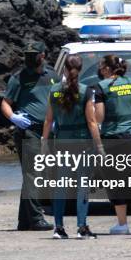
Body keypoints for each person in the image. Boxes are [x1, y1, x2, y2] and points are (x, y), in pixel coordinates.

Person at [1, 41, 60, 231]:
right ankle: (35, 218)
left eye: (33, 54)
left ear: (42, 56)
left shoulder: (51, 75)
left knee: (33, 174)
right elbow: (5, 103)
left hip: (48, 130)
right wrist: (14, 118)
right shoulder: (19, 78)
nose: (29, 58)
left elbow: (60, 97)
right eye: (27, 54)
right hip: (28, 130)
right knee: (33, 173)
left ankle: (24, 220)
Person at [85, 55, 131, 235]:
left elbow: (100, 116)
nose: (100, 69)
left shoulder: (101, 87)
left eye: (101, 66)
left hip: (112, 139)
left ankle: (122, 224)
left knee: (116, 181)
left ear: (107, 69)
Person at [42, 55, 97, 240]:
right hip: (82, 144)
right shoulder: (85, 91)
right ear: (80, 70)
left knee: (61, 186)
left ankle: (58, 227)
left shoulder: (54, 90)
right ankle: (81, 227)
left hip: (62, 143)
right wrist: (100, 146)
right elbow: (91, 121)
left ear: (64, 69)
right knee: (83, 185)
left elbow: (49, 120)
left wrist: (44, 143)